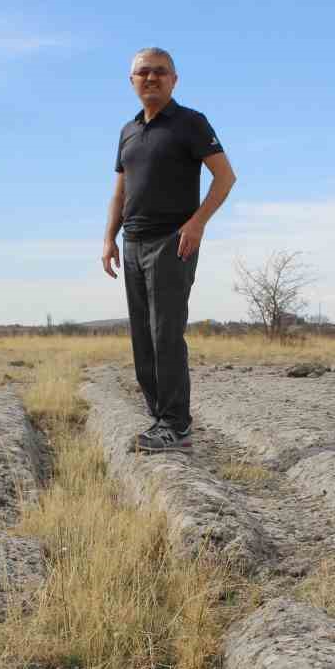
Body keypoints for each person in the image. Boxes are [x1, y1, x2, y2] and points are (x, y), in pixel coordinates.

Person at [101, 46, 236, 453]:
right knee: (142, 337)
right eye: (143, 72)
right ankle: (159, 419)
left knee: (165, 334)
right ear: (132, 81)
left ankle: (176, 426)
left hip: (171, 242)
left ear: (174, 80)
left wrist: (196, 224)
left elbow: (225, 177)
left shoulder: (191, 123)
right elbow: (121, 189)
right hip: (133, 243)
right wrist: (109, 237)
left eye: (160, 72)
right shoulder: (128, 131)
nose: (151, 78)